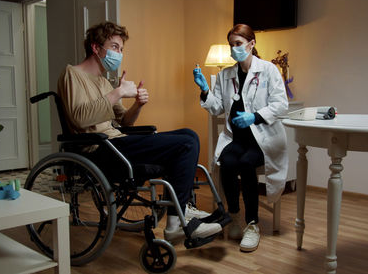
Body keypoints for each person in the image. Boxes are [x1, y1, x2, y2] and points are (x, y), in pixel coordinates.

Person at [57, 21, 220, 242]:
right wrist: (118, 92)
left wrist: (137, 105)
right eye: (114, 47)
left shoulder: (103, 82)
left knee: (189, 134)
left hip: (117, 141)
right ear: (96, 48)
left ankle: (181, 209)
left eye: (121, 49)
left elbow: (124, 122)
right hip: (98, 149)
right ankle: (175, 222)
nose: (119, 53)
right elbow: (80, 118)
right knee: (186, 144)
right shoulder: (71, 75)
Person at [193, 24, 289, 252]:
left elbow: (281, 105)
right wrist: (206, 90)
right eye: (231, 45)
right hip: (236, 139)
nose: (234, 49)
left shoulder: (268, 70)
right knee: (227, 162)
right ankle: (235, 218)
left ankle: (252, 224)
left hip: (262, 139)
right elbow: (217, 108)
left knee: (246, 164)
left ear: (251, 44)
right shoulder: (226, 74)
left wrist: (255, 116)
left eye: (238, 43)